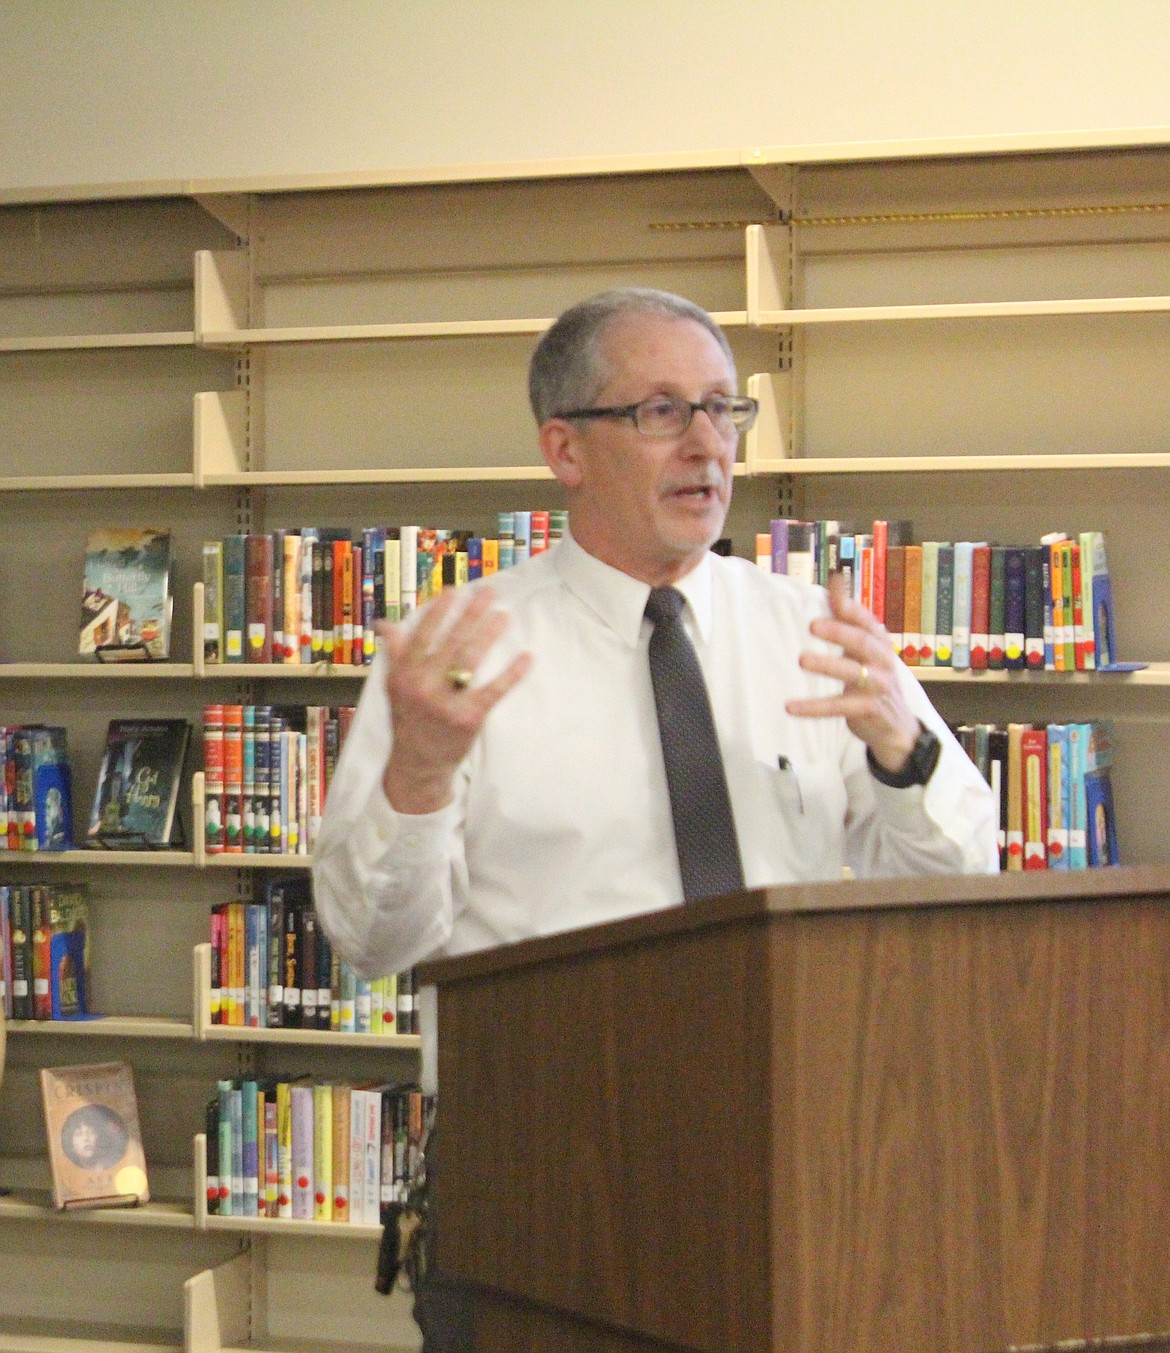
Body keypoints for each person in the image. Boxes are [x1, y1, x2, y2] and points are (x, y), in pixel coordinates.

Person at [313, 287, 998, 1349]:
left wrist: (905, 755)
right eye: (662, 411)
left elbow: (966, 879)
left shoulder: (817, 633)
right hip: (546, 1179)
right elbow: (373, 942)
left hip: (801, 1156)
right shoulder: (455, 655)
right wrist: (419, 776)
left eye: (725, 410)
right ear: (566, 448)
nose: (707, 445)